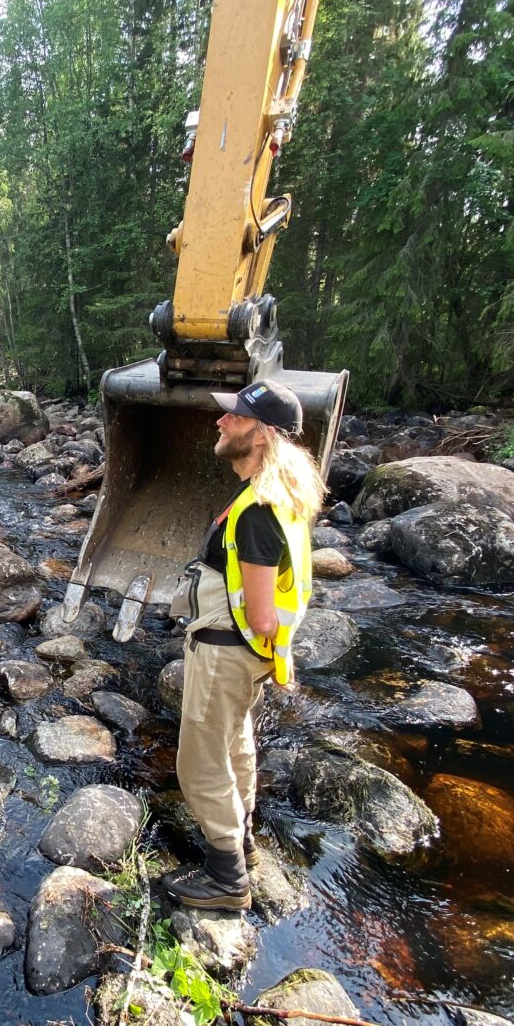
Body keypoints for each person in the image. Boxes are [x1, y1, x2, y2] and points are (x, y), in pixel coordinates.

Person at [163, 379, 324, 910]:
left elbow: (258, 610)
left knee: (201, 761)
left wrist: (262, 642)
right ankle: (244, 841)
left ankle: (226, 876)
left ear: (263, 435)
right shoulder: (278, 499)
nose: (221, 421)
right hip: (248, 654)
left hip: (226, 650)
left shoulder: (256, 511)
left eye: (234, 417)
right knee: (235, 744)